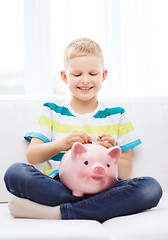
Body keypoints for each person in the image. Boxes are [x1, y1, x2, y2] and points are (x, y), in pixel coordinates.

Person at [4, 38, 162, 222]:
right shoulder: (52, 110)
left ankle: (59, 212)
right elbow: (32, 156)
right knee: (15, 173)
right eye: (77, 74)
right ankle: (98, 206)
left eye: (93, 73)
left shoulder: (117, 115)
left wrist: (108, 154)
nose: (85, 80)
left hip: (105, 186)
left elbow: (126, 172)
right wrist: (61, 144)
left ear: (103, 75)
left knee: (151, 187)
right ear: (65, 76)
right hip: (60, 185)